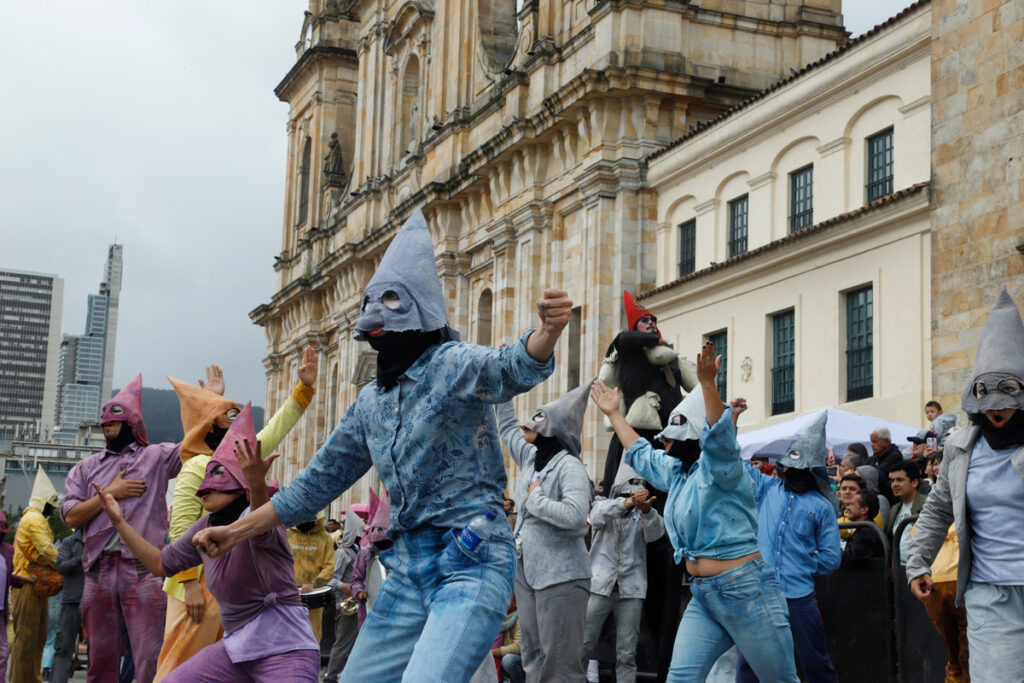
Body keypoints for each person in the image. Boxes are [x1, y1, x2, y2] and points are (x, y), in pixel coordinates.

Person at [191, 208, 572, 681]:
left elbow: (509, 367)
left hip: (470, 558)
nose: (377, 319)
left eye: (392, 303)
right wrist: (235, 532)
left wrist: (547, 332)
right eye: (371, 305)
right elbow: (311, 486)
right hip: (406, 570)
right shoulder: (371, 402)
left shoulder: (451, 363)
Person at [591, 342, 800, 682]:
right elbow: (641, 452)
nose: (664, 441)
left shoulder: (722, 468)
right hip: (703, 595)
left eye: (672, 435)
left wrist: (707, 384)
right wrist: (615, 414)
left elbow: (719, 438)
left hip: (747, 591)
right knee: (679, 680)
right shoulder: (677, 472)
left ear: (692, 436)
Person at [92, 403, 320, 681]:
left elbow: (260, 522)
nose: (203, 489)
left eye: (217, 475)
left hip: (285, 649)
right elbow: (159, 563)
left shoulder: (257, 519)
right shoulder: (206, 525)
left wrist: (256, 484)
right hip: (235, 651)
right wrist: (119, 522)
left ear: (239, 484)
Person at [158, 356, 317, 680]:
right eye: (226, 415)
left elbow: (276, 427)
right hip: (198, 575)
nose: (236, 420)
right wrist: (189, 584)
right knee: (181, 657)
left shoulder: (242, 458)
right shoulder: (196, 467)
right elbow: (181, 526)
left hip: (239, 581)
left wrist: (304, 388)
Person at [908, 287, 1024, 681]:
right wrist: (917, 563)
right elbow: (937, 510)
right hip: (990, 594)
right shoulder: (961, 449)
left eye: (1008, 391)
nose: (995, 406)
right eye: (984, 393)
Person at [599, 291, 697, 682]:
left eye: (655, 321)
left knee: (664, 562)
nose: (652, 326)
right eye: (646, 320)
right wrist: (648, 335)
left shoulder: (668, 362)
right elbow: (625, 339)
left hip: (665, 450)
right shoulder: (628, 349)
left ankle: (665, 659)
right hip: (634, 446)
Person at [61, 375, 181, 683]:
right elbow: (70, 516)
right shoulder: (86, 468)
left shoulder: (156, 457)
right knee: (100, 660)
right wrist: (109, 494)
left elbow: (195, 447)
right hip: (97, 571)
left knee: (149, 658)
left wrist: (207, 403)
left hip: (142, 569)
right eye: (104, 421)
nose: (106, 424)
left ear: (132, 422)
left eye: (114, 419)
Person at [497, 381, 594, 682]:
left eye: (535, 424)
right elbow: (508, 428)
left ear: (550, 431)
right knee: (532, 657)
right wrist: (501, 385)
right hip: (527, 572)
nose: (527, 428)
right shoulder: (531, 458)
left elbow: (576, 516)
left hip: (561, 576)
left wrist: (535, 499)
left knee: (560, 664)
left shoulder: (570, 466)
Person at [736, 410, 841, 683]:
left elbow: (832, 557)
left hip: (799, 596)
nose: (791, 473)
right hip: (761, 594)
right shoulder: (766, 487)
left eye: (799, 469)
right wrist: (731, 421)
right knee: (748, 666)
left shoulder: (821, 507)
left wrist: (804, 562)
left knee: (815, 662)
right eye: (789, 468)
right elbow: (733, 460)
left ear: (812, 471)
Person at [582, 458, 665, 683]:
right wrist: (626, 503)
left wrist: (646, 511)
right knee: (584, 644)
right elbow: (596, 516)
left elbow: (656, 534)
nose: (635, 491)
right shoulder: (603, 505)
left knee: (627, 654)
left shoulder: (646, 513)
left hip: (631, 590)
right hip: (600, 586)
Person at [10, 467, 60, 683]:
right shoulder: (34, 519)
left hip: (35, 585)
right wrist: (66, 564)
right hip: (26, 585)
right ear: (43, 503)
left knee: (38, 638)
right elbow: (47, 549)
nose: (53, 511)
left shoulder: (36, 519)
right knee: (26, 640)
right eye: (51, 506)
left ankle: (31, 678)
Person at [918, 523, 969, 682]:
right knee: (967, 653)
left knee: (955, 656)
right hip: (960, 579)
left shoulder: (930, 519)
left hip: (934, 579)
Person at [323, 507, 362, 683]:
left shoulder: (358, 549)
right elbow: (330, 579)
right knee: (343, 642)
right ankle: (331, 676)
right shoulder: (342, 552)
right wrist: (343, 585)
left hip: (358, 602)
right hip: (346, 604)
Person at [348, 490, 392, 628]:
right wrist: (359, 591)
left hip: (394, 609)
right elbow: (356, 579)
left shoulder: (399, 553)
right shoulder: (365, 554)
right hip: (369, 607)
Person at [288, 513, 335, 642]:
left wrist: (314, 583)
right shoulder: (287, 535)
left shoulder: (325, 537)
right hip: (287, 595)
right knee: (287, 638)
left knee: (312, 637)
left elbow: (329, 567)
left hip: (313, 597)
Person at [0, 508, 34, 680]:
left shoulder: (7, 551)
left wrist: (25, 580)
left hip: (1, 613)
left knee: (3, 653)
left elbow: (7, 577)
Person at [51, 527, 84, 683]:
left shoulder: (103, 541)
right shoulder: (69, 542)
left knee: (99, 651)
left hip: (97, 602)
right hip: (72, 601)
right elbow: (61, 566)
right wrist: (79, 559)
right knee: (63, 648)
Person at [886, 462, 927, 565]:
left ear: (914, 483)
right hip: (900, 567)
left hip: (921, 566)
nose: (894, 484)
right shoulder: (895, 509)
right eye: (892, 480)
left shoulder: (927, 504)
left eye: (899, 480)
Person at [840, 490, 885, 569]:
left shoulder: (866, 533)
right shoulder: (866, 529)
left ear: (864, 510)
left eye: (852, 504)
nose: (848, 508)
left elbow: (850, 560)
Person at [868, 427, 902, 504]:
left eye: (875, 441)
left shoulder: (895, 457)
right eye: (871, 442)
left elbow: (876, 473)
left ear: (886, 441)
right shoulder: (873, 458)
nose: (872, 445)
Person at [494, 597, 523, 683]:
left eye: (507, 599)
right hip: (500, 660)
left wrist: (496, 651)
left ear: (515, 604)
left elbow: (519, 646)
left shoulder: (518, 618)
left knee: (508, 660)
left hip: (517, 658)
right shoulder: (499, 619)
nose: (503, 602)